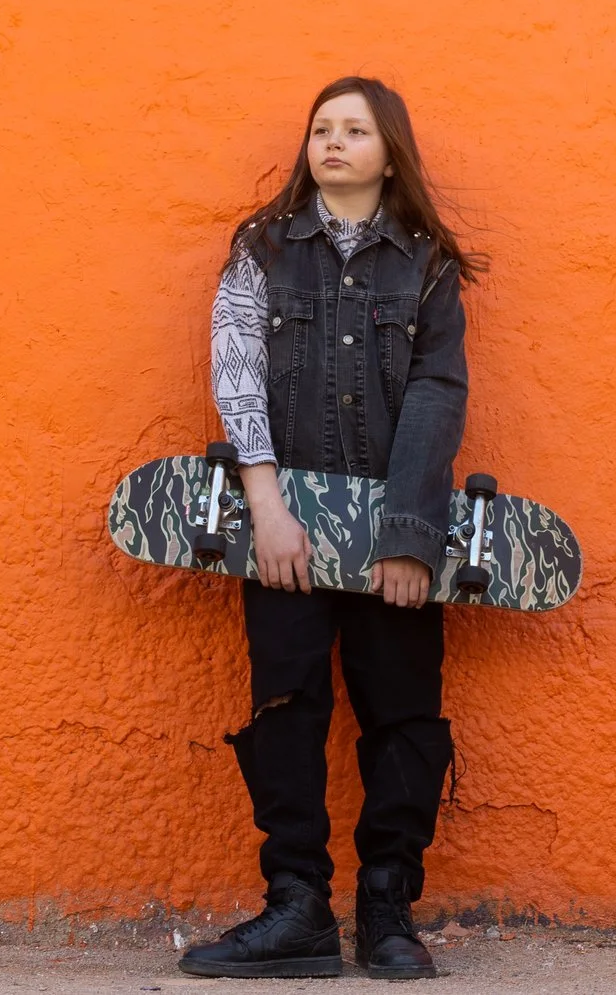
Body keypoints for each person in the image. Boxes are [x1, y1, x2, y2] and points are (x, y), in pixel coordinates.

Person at [177, 76, 483, 982]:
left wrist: (405, 531)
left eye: (354, 129)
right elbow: (235, 367)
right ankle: (296, 909)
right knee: (287, 707)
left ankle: (388, 907)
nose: (333, 143)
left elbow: (438, 393)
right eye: (321, 129)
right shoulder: (262, 248)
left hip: (395, 529)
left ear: (391, 149)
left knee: (403, 714)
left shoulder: (426, 263)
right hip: (285, 531)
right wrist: (265, 507)